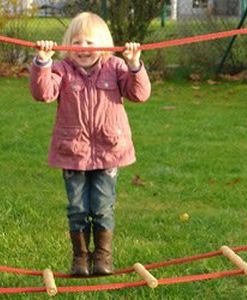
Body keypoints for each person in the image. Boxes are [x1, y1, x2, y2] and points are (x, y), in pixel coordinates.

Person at [29, 12, 151, 276]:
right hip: (73, 152)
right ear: (68, 44)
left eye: (90, 42)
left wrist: (134, 65)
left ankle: (103, 257)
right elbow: (43, 93)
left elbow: (139, 94)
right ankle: (80, 258)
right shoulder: (61, 70)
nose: (83, 48)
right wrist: (42, 62)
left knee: (103, 207)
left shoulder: (116, 67)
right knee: (77, 208)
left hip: (109, 150)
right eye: (77, 42)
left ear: (105, 45)